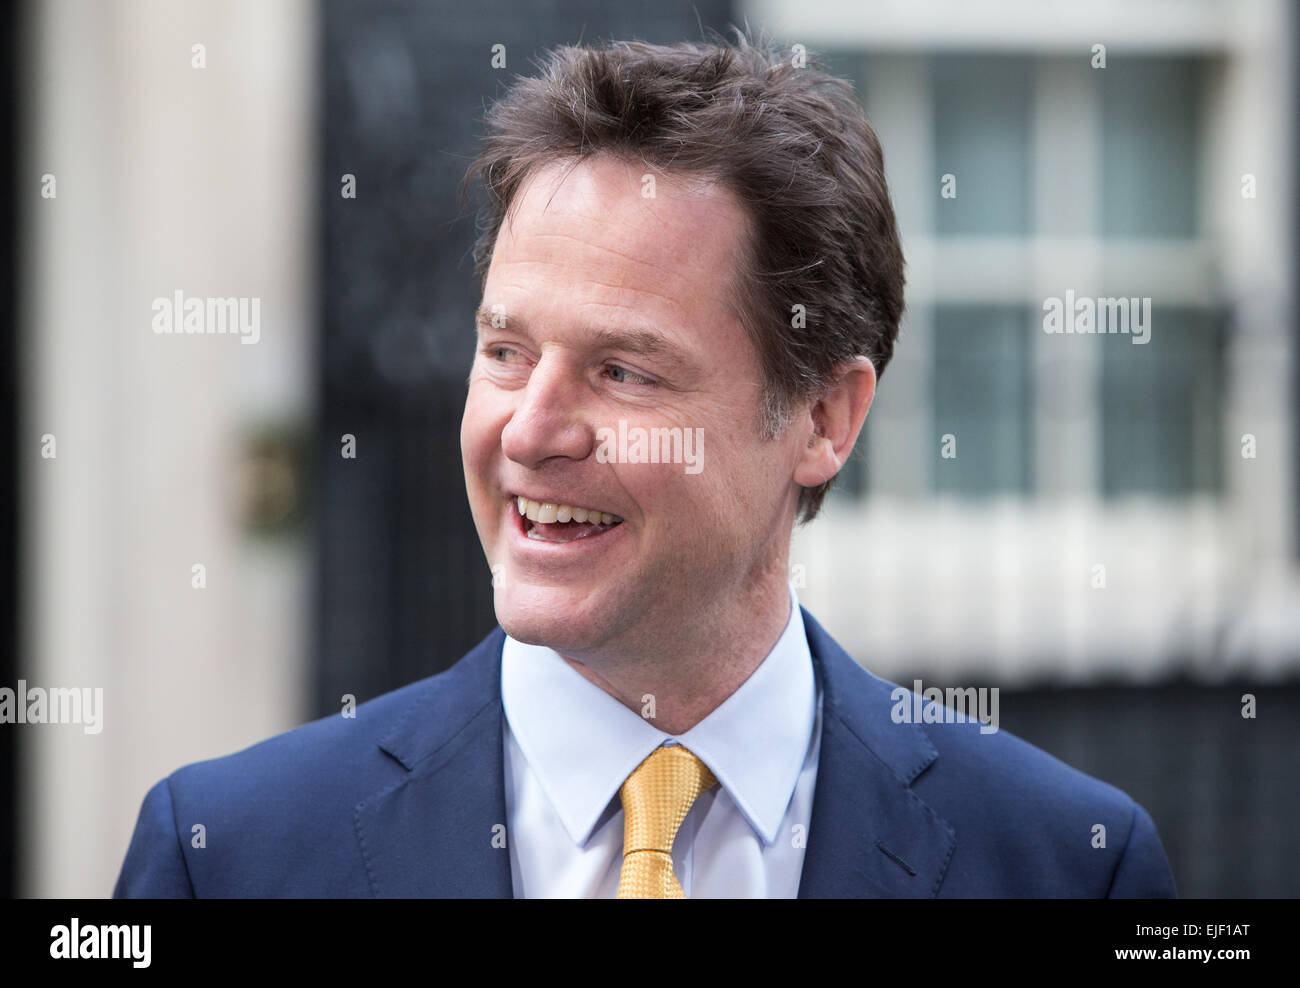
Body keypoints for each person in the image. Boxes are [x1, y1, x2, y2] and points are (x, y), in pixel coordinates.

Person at [114, 33, 1176, 898]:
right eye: (505, 353)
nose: (529, 430)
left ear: (822, 416)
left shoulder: (1065, 864)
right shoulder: (228, 857)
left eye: (622, 371)